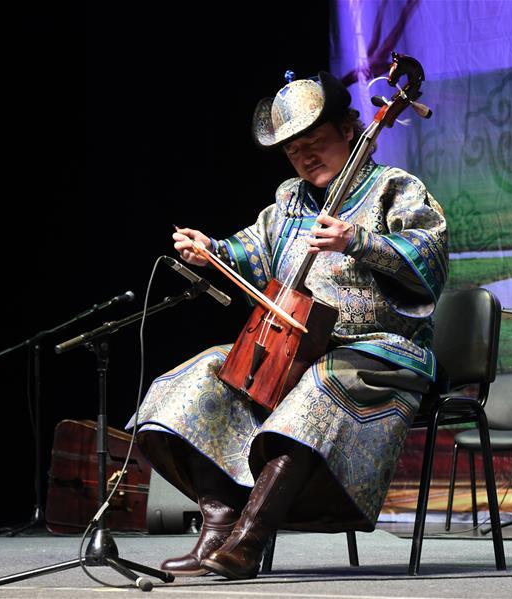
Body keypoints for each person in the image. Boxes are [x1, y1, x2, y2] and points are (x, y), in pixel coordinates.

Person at [130, 70, 448, 580]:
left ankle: (251, 539)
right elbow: (252, 250)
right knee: (197, 380)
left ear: (349, 129)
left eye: (314, 142)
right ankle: (219, 523)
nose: (304, 157)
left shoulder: (395, 188)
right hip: (293, 346)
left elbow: (430, 261)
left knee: (317, 390)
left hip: (378, 350)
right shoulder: (288, 200)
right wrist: (211, 251)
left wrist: (357, 241)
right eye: (293, 150)